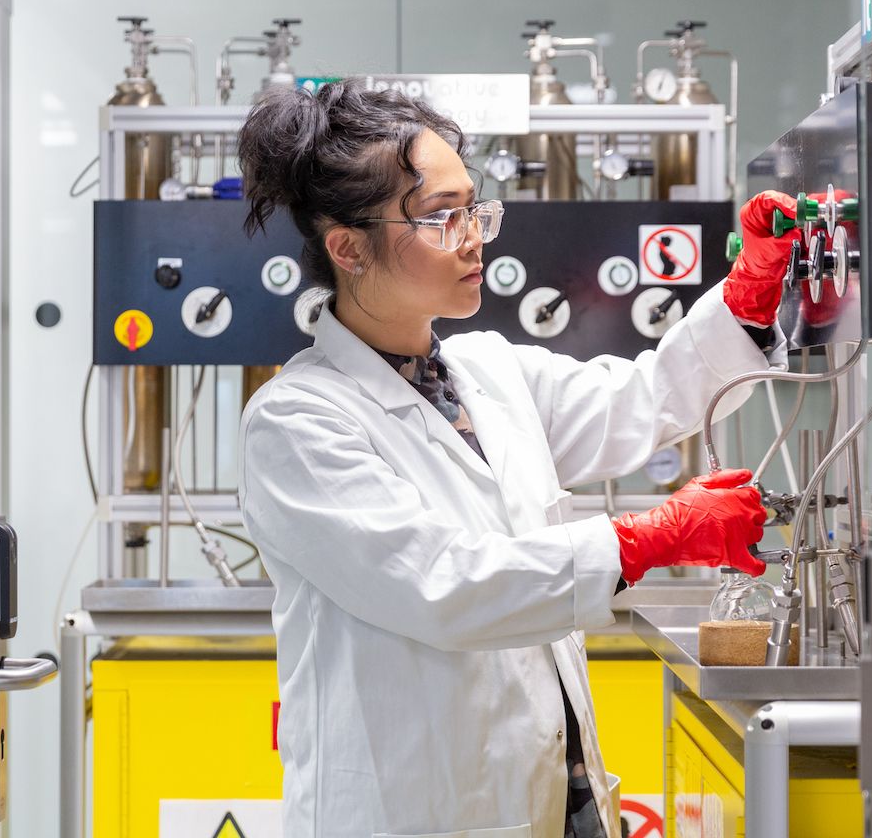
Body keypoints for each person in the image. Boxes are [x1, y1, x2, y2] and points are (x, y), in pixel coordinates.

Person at [236, 78, 797, 838]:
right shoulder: (296, 424)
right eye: (441, 217)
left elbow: (641, 401)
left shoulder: (489, 371)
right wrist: (651, 536)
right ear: (348, 248)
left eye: (474, 207)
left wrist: (748, 298)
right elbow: (446, 584)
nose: (474, 236)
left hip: (553, 799)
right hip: (413, 818)